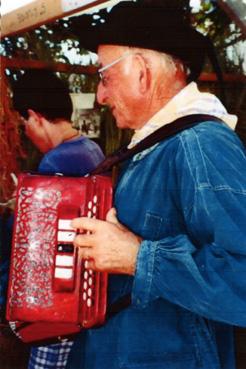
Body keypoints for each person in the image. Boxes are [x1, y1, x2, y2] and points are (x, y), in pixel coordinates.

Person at [66, 1, 246, 369]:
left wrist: (138, 258)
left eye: (104, 77)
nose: (100, 96)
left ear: (142, 72)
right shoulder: (160, 144)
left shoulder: (202, 144)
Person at [11, 69, 104, 369]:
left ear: (35, 116)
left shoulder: (56, 162)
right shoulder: (90, 148)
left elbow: (39, 248)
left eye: (23, 122)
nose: (25, 131)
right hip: (84, 299)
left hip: (59, 305)